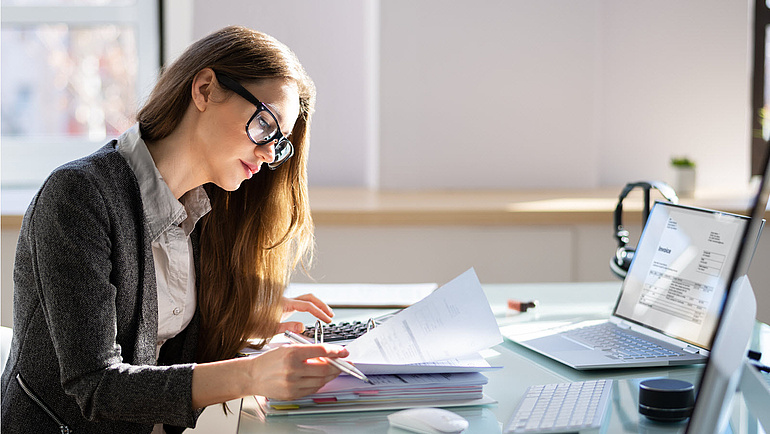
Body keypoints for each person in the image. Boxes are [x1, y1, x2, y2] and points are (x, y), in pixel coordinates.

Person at [1, 26, 347, 433]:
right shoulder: (79, 196)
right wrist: (252, 373)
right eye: (266, 125)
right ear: (204, 89)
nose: (270, 152)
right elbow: (96, 386)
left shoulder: (206, 210)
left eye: (280, 142)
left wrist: (237, 318)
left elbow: (151, 338)